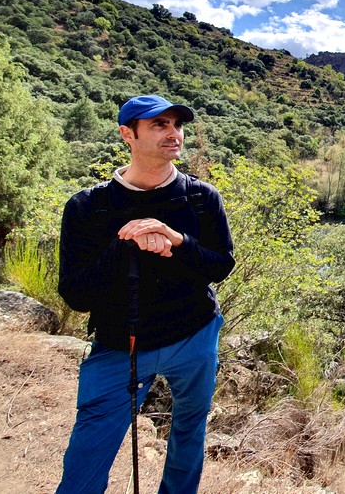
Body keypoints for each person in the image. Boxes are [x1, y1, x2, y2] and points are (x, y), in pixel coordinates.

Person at [57, 95, 235, 494]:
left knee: (189, 431)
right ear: (127, 134)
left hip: (196, 336)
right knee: (90, 446)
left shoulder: (202, 198)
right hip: (120, 347)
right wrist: (124, 247)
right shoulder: (88, 207)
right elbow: (75, 294)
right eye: (159, 125)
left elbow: (220, 265)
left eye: (177, 125)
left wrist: (176, 241)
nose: (173, 134)